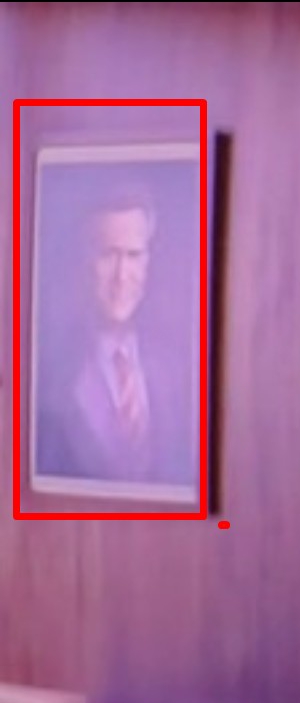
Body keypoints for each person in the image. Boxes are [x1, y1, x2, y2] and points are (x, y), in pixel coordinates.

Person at [35, 181, 198, 493]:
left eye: (133, 255)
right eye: (108, 255)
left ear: (148, 262)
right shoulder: (50, 373)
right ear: (83, 260)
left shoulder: (178, 368)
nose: (121, 276)